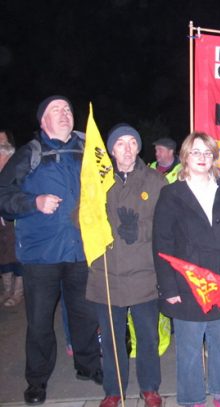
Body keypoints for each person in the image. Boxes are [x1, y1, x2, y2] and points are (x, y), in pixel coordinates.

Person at [0, 95, 103, 405]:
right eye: (55, 110)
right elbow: (3, 194)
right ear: (42, 121)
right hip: (40, 255)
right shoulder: (30, 153)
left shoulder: (87, 150)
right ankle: (37, 380)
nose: (65, 113)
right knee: (40, 321)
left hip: (80, 250)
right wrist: (34, 203)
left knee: (84, 314)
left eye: (68, 109)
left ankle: (87, 365)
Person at [153, 132, 220, 407]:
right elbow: (162, 244)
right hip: (186, 282)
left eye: (207, 152)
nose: (202, 157)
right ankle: (192, 398)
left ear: (214, 157)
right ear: (185, 157)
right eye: (196, 152)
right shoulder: (171, 194)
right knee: (190, 347)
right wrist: (168, 287)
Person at [85, 124, 167, 407]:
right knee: (111, 340)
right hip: (107, 274)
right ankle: (113, 390)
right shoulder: (96, 180)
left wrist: (140, 230)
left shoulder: (155, 180)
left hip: (144, 273)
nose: (128, 148)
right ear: (110, 149)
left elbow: (166, 224)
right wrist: (103, 229)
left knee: (147, 336)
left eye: (133, 142)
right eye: (121, 143)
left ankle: (150, 388)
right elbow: (80, 216)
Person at [0, 140, 24, 307]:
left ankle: (17, 293)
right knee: (4, 255)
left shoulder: (18, 175)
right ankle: (7, 290)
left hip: (16, 222)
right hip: (2, 224)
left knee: (17, 255)